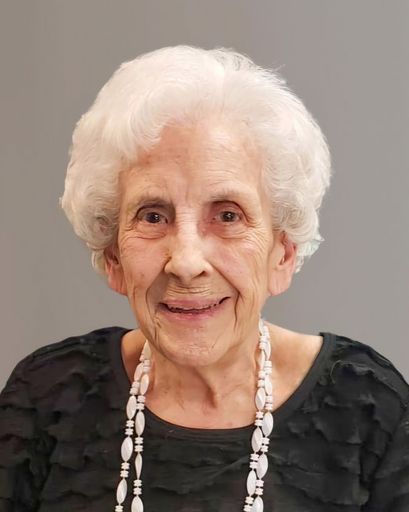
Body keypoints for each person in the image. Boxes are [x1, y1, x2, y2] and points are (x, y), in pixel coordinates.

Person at [0, 45, 408, 512]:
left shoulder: (365, 409)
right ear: (113, 258)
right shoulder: (46, 398)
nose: (186, 261)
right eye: (153, 216)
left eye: (228, 215)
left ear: (282, 253)